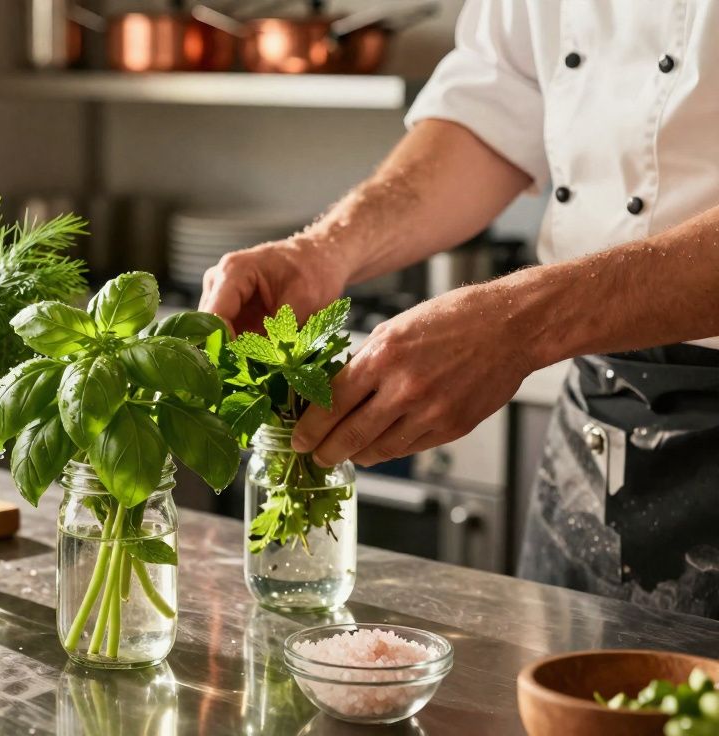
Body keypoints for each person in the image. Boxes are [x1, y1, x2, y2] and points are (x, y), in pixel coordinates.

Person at [199, 0, 719, 617]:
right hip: (590, 426)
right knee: (545, 707)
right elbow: (493, 107)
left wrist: (524, 322)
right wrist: (323, 251)